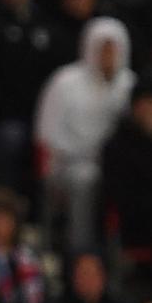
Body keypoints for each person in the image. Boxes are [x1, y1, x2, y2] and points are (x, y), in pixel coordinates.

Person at [33, 17, 133, 252]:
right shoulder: (65, 82)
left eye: (113, 49)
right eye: (103, 48)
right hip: (66, 165)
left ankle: (125, 252)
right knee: (85, 179)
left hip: (116, 166)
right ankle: (81, 252)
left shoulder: (129, 86)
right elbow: (46, 134)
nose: (108, 55)